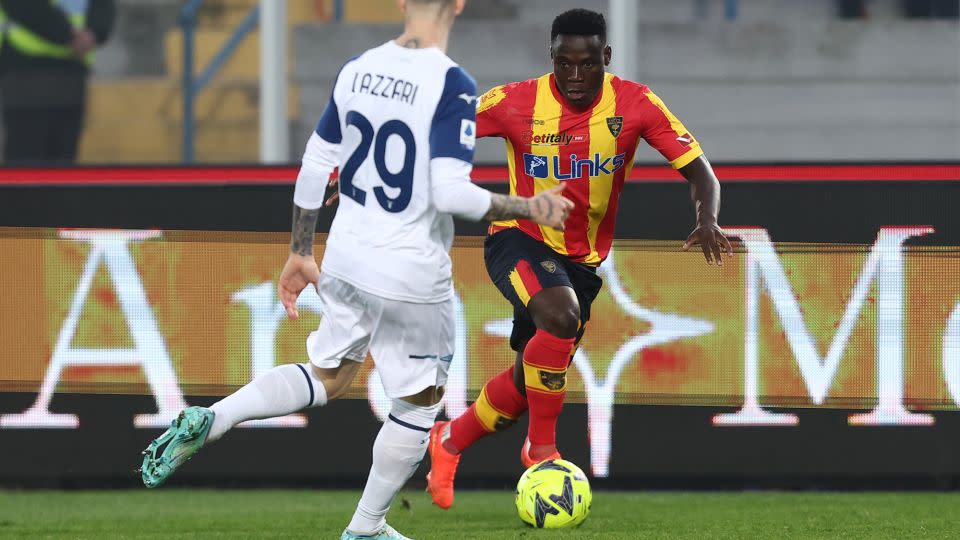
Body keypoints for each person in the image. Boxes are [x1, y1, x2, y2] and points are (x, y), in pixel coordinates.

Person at [138, 1, 572, 539]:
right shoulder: (452, 83)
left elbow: (316, 166)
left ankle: (218, 418)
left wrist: (301, 250)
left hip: (345, 253)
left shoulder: (358, 70)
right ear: (457, 4)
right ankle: (366, 528)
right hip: (411, 271)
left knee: (329, 374)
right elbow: (449, 192)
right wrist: (531, 207)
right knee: (419, 401)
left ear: (401, 3)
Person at [425, 8, 733, 510]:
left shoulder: (636, 104)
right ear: (551, 57)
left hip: (581, 262)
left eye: (587, 64)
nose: (574, 76)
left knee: (531, 380)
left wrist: (707, 218)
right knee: (560, 317)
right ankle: (541, 450)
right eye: (563, 63)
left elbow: (701, 172)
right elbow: (438, 126)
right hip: (518, 238)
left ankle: (449, 440)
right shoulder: (515, 101)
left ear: (605, 58)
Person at [0, 0, 115, 164]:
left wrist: (95, 32)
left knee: (63, 167)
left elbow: (103, 5)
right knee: (26, 165)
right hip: (24, 72)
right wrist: (71, 34)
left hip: (71, 74)